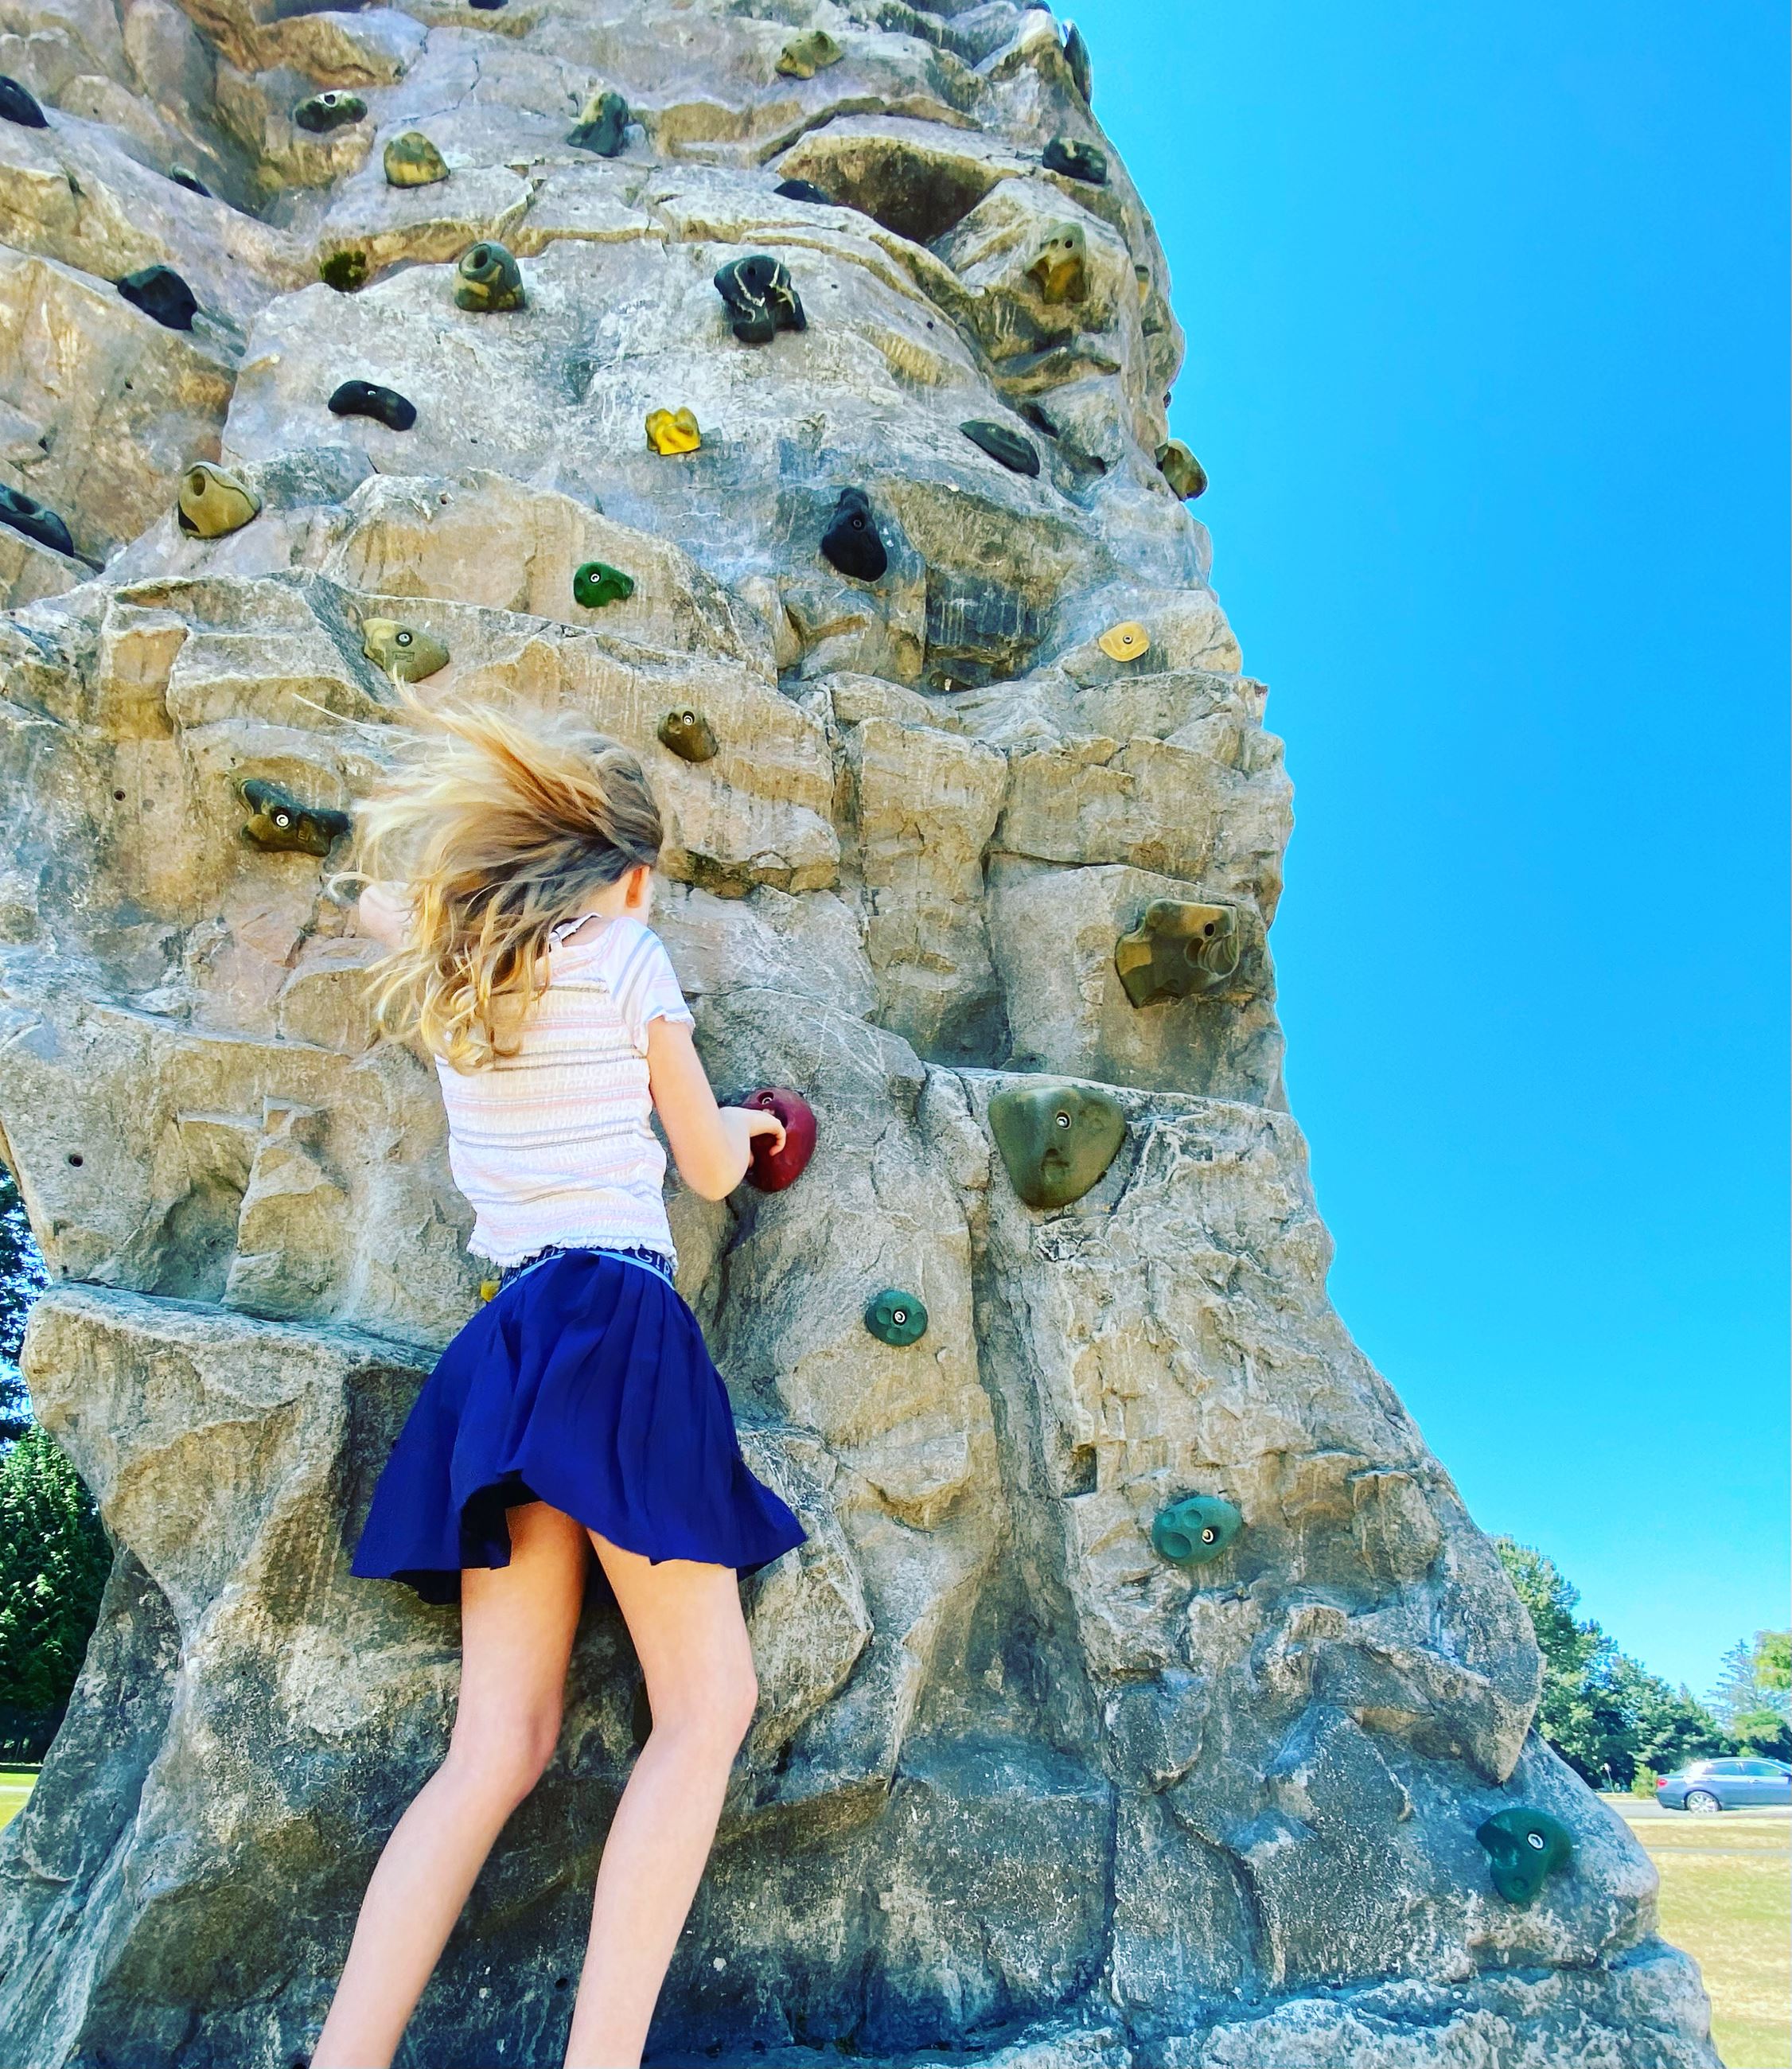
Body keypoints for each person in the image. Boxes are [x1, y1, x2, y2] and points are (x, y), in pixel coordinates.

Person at [313, 696, 806, 2069]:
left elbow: (377, 907)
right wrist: (758, 1123)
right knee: (707, 1710)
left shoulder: (459, 962)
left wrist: (439, 898)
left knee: (496, 1746)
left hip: (505, 1344)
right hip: (616, 1322)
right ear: (633, 874)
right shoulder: (631, 950)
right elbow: (708, 1166)